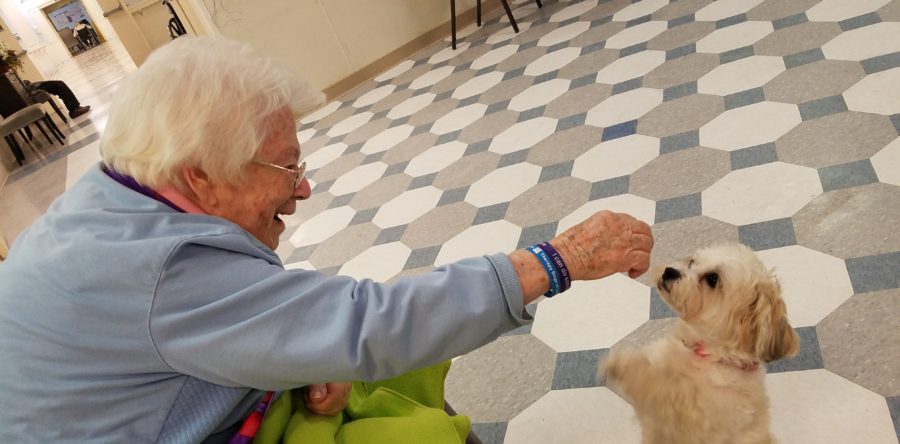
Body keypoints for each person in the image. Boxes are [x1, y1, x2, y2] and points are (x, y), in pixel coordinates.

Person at [0, 36, 653, 443]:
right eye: (287, 168)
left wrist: (312, 359)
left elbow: (244, 323)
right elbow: (364, 325)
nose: (303, 188)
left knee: (401, 354)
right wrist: (555, 260)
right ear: (201, 176)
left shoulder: (121, 185)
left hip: (163, 401)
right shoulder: (155, 271)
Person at [23, 78, 91, 119]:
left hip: (27, 90)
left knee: (58, 84)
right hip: (26, 95)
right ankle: (74, 109)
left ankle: (74, 108)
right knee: (58, 85)